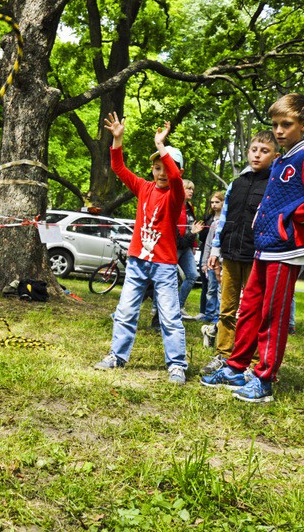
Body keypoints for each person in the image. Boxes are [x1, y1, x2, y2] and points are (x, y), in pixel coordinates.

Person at [201, 94, 304, 402]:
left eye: (286, 124)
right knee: (249, 308)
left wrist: (294, 216)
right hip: (263, 248)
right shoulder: (281, 160)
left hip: (286, 249)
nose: (279, 131)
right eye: (276, 125)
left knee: (272, 315)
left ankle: (264, 380)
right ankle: (236, 367)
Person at [92, 114, 188, 385]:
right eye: (156, 168)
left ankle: (177, 365)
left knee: (169, 315)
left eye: (165, 168)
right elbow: (119, 168)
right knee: (125, 311)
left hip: (164, 264)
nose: (160, 173)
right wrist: (117, 138)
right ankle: (117, 356)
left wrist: (162, 146)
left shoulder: (175, 194)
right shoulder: (144, 188)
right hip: (137, 261)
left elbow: (177, 180)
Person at [200, 131, 277, 374]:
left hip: (256, 256)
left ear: (275, 156)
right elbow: (223, 219)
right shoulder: (236, 184)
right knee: (227, 308)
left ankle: (251, 361)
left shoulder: (274, 184)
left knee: (253, 310)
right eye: (254, 149)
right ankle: (223, 354)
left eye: (264, 151)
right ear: (248, 152)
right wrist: (216, 248)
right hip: (230, 254)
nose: (258, 155)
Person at [177, 180, 205, 319]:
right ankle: (156, 308)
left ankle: (179, 306)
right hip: (174, 247)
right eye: (188, 189)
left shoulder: (189, 207)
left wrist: (194, 245)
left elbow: (191, 226)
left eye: (192, 189)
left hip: (187, 246)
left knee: (193, 275)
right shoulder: (174, 204)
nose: (191, 192)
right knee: (165, 278)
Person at [199, 191, 225, 334]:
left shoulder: (227, 221)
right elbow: (208, 244)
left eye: (217, 202)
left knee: (221, 290)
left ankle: (218, 315)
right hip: (210, 262)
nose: (214, 205)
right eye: (212, 202)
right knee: (210, 289)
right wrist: (204, 263)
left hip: (222, 262)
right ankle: (209, 314)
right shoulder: (212, 222)